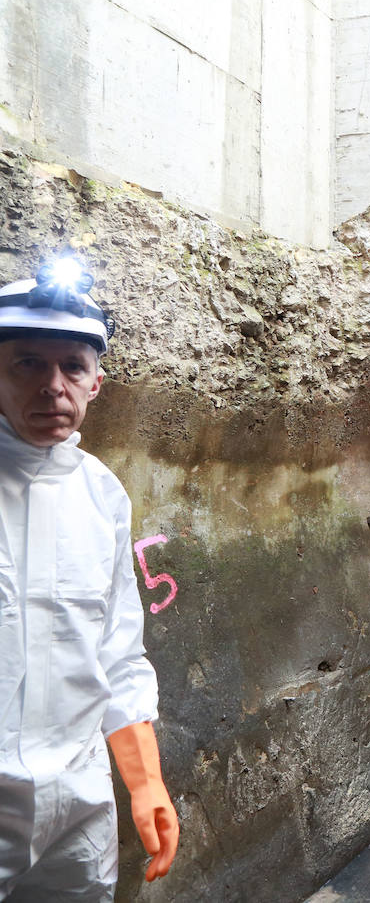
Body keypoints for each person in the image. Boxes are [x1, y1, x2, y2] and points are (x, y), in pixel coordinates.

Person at [0, 257, 179, 899]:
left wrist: (145, 780)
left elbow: (117, 652)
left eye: (71, 367)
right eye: (27, 363)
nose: (53, 386)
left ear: (95, 383)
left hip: (79, 803)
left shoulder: (102, 494)